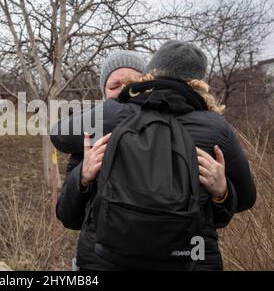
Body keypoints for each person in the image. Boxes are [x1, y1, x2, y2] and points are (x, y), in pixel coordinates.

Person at [52, 42, 256, 270]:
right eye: (114, 85)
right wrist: (82, 176)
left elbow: (58, 134)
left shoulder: (104, 120)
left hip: (104, 261)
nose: (121, 90)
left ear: (146, 78)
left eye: (128, 82)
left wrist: (221, 191)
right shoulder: (215, 127)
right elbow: (68, 216)